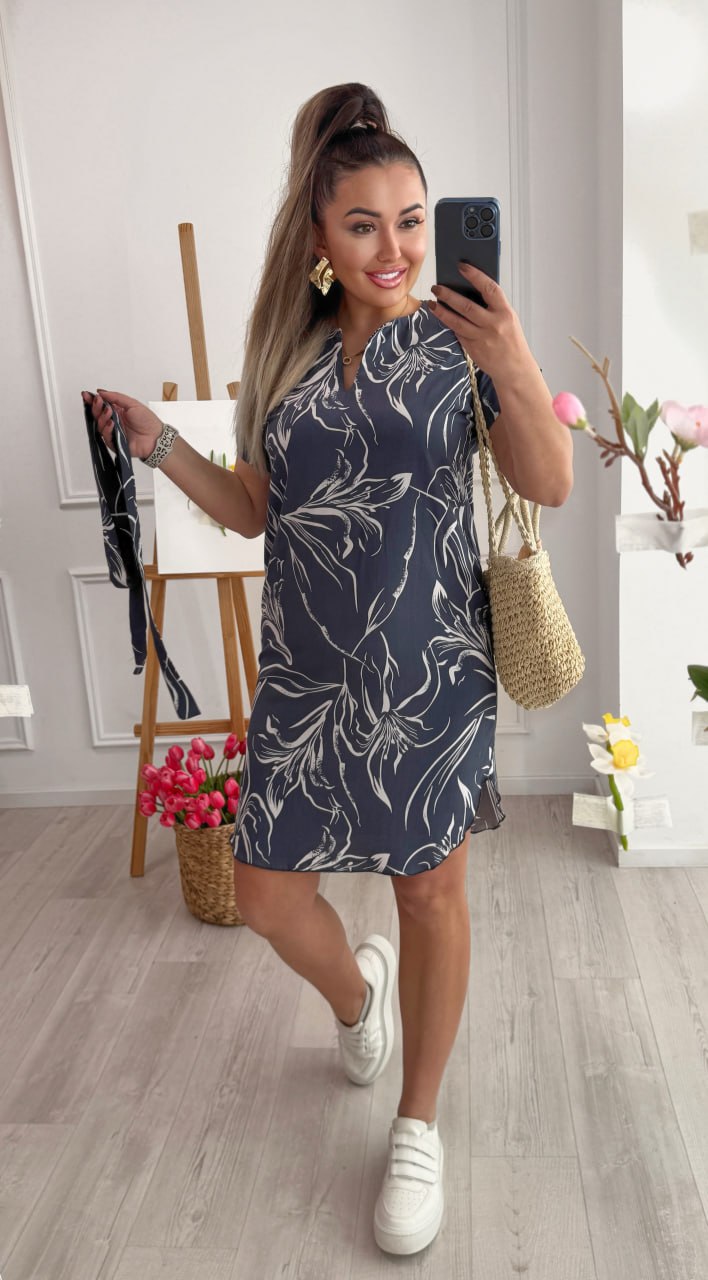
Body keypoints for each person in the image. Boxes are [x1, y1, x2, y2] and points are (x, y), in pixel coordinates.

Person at [83, 82, 572, 1257]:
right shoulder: (286, 354)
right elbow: (257, 508)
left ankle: (418, 1120)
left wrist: (509, 353)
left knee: (428, 893)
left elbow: (549, 480)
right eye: (364, 224)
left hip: (431, 669)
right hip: (306, 678)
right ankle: (359, 998)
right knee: (264, 893)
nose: (394, 248)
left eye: (411, 221)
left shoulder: (458, 340)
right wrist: (161, 444)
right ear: (317, 234)